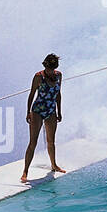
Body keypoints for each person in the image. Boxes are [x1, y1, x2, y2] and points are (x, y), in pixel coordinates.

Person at [20, 54, 65, 182]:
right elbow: (31, 94)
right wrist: (28, 112)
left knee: (51, 141)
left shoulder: (59, 75)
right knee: (33, 142)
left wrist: (59, 111)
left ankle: (54, 165)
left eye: (53, 68)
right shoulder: (38, 77)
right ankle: (25, 171)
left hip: (51, 110)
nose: (51, 70)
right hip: (38, 110)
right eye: (49, 68)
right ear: (45, 66)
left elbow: (58, 94)